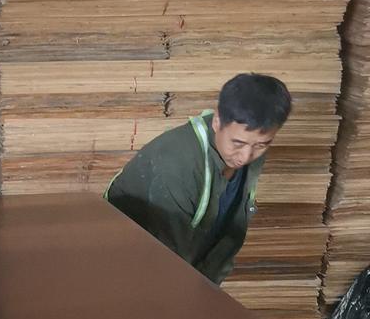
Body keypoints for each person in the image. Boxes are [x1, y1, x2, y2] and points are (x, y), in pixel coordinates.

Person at [105, 73, 292, 285]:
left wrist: (208, 289)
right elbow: (168, 263)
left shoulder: (247, 153)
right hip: (128, 271)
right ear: (217, 121)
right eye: (238, 143)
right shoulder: (176, 164)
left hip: (179, 271)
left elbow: (226, 236)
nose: (246, 156)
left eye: (261, 145)